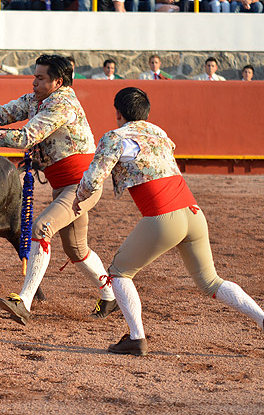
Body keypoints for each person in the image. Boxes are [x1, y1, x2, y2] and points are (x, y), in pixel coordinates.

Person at [74, 87, 264, 356]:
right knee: (211, 281)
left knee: (119, 273)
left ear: (117, 112)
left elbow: (93, 179)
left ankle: (136, 338)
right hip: (193, 212)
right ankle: (261, 318)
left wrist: (77, 197)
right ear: (147, 112)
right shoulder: (160, 133)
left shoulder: (114, 138)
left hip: (164, 217)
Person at [0, 55, 118, 325]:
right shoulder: (36, 99)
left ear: (57, 81)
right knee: (76, 249)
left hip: (82, 186)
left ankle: (24, 301)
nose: (34, 82)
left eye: (40, 78)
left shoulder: (63, 104)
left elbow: (25, 138)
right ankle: (110, 296)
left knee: (41, 227)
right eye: (34, 76)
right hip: (64, 186)